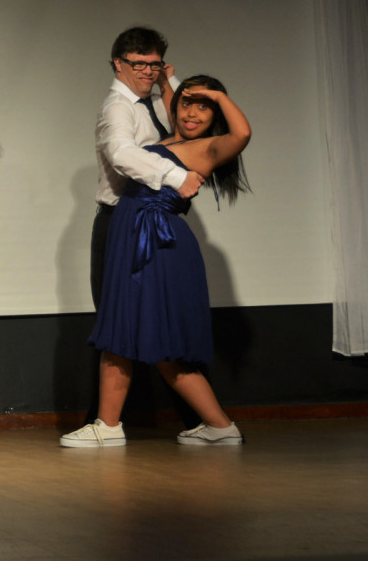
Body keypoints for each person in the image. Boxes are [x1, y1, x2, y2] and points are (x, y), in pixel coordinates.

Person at [61, 75, 250, 447]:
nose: (193, 112)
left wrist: (214, 93)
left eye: (204, 106)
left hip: (159, 242)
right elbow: (172, 98)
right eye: (187, 103)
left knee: (147, 334)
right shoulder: (165, 140)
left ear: (215, 115)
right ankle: (216, 426)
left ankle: (110, 426)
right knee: (128, 330)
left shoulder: (207, 148)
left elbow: (241, 134)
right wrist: (168, 81)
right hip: (133, 236)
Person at [84, 27, 207, 428]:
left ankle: (202, 422)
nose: (148, 71)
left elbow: (181, 125)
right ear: (119, 63)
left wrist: (171, 81)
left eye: (155, 64)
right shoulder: (117, 107)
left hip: (146, 224)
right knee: (117, 324)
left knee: (153, 322)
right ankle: (108, 423)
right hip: (119, 224)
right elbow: (122, 153)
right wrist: (175, 177)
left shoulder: (152, 101)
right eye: (139, 64)